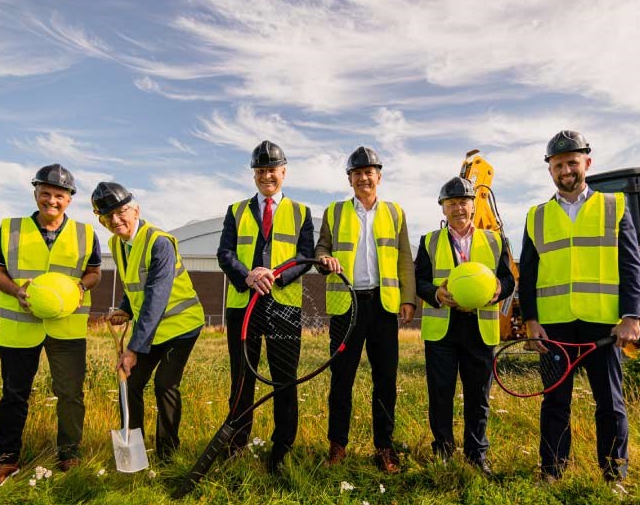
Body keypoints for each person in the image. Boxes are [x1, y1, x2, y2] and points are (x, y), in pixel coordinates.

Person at [519, 130, 640, 484]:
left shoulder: (613, 206)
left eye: (572, 162)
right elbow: (528, 275)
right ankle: (552, 471)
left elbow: (630, 264)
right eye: (559, 164)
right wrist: (531, 321)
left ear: (587, 163)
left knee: (610, 403)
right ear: (550, 170)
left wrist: (632, 315)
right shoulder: (536, 216)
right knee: (555, 403)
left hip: (603, 325)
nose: (566, 169)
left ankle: (614, 475)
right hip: (555, 327)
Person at [0, 164, 102, 487]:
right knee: (14, 394)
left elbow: (94, 273)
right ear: (36, 193)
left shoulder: (86, 233)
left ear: (69, 200)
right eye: (46, 193)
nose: (52, 200)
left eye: (59, 195)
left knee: (70, 395)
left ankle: (69, 454)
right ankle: (7, 459)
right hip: (20, 327)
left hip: (67, 329)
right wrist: (16, 290)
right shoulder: (11, 228)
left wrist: (81, 287)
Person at [316, 146, 416, 474]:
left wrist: (409, 298)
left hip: (384, 305)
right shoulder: (334, 212)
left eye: (369, 172)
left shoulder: (396, 213)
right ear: (350, 179)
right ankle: (338, 445)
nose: (363, 177)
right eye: (357, 173)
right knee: (341, 378)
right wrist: (324, 259)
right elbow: (321, 249)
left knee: (385, 379)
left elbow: (404, 258)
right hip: (347, 306)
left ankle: (384, 447)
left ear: (379, 176)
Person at [216, 140, 314, 474]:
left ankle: (281, 449)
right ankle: (235, 443)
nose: (266, 175)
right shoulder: (236, 211)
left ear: (284, 172)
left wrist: (275, 276)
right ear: (253, 174)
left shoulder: (302, 212)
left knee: (284, 379)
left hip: (284, 306)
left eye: (272, 169)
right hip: (244, 305)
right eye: (260, 170)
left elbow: (305, 258)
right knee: (242, 377)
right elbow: (225, 254)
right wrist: (248, 276)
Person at [91, 182, 204, 461]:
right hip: (152, 330)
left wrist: (133, 349)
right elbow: (135, 283)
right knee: (130, 383)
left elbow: (156, 296)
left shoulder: (159, 242)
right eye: (107, 217)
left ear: (136, 209)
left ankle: (168, 455)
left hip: (181, 326)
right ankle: (135, 453)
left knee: (165, 384)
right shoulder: (117, 244)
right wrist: (124, 308)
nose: (115, 220)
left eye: (120, 212)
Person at [414, 177, 515, 473]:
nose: (458, 208)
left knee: (478, 395)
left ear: (473, 206)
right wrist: (436, 293)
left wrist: (499, 288)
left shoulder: (495, 240)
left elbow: (509, 279)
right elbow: (419, 281)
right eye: (451, 203)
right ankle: (443, 451)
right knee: (441, 393)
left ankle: (476, 455)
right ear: (443, 208)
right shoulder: (429, 241)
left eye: (463, 202)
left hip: (479, 327)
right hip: (442, 328)